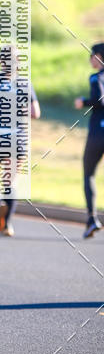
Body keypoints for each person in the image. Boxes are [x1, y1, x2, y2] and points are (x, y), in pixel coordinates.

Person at [0, 47, 40, 237]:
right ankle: (7, 225)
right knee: (10, 184)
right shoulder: (24, 82)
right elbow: (35, 113)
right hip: (16, 138)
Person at [74, 42, 104, 238]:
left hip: (98, 133)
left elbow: (100, 99)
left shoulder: (96, 77)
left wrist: (83, 102)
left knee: (89, 174)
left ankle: (92, 218)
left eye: (91, 55)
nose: (90, 59)